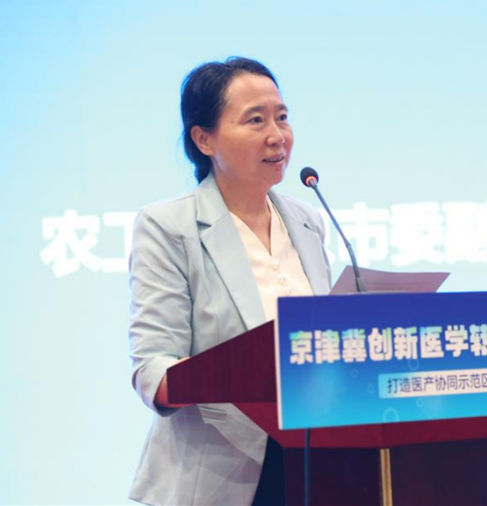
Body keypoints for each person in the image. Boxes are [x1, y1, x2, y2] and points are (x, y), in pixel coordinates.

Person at [127, 57, 332, 505]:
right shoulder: (169, 226)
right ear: (204, 139)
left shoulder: (307, 221)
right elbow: (154, 370)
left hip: (315, 464)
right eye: (255, 120)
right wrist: (239, 371)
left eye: (282, 117)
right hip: (220, 477)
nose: (277, 136)